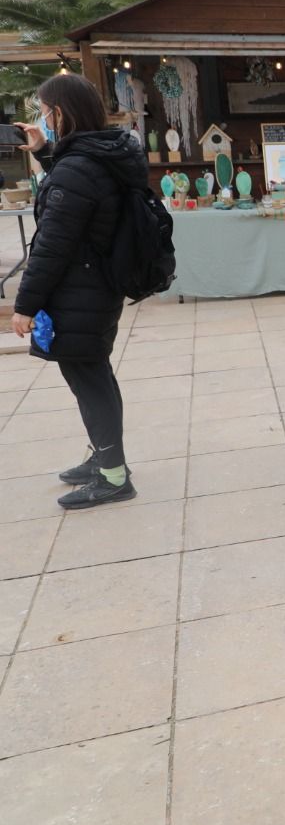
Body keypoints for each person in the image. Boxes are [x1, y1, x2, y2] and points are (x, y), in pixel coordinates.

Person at [8, 73, 145, 509]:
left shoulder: (78, 168)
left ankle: (112, 476)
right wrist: (46, 153)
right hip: (95, 285)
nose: (39, 117)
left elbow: (50, 246)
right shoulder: (97, 155)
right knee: (93, 375)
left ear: (60, 113)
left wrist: (24, 305)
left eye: (42, 111)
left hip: (79, 290)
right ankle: (103, 459)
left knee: (89, 380)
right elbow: (77, 196)